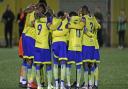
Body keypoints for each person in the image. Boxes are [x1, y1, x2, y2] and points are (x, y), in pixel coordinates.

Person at [48, 11, 68, 89]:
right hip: (62, 43)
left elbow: (50, 31)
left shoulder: (53, 20)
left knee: (55, 64)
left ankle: (56, 84)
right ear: (63, 16)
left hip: (55, 43)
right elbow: (67, 30)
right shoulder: (66, 20)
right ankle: (62, 84)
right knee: (63, 63)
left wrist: (54, 35)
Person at [66, 11, 85, 89]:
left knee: (68, 66)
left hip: (71, 47)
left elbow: (67, 27)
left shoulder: (70, 23)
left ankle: (68, 84)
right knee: (78, 66)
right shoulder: (82, 23)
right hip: (79, 48)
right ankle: (77, 85)